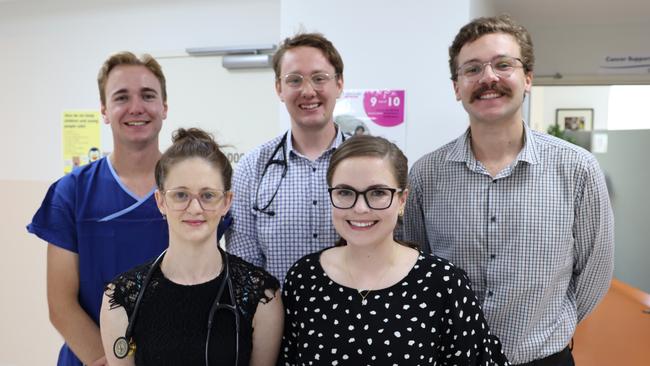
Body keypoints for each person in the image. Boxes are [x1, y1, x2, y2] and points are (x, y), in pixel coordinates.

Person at [401, 15, 614, 365]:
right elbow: (414, 266)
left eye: (503, 64)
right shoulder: (426, 174)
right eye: (472, 69)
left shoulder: (577, 169)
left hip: (544, 358)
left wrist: (551, 326)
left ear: (527, 78)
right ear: (456, 87)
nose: (488, 78)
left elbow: (595, 270)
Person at [26, 52, 228, 366]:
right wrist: (111, 359)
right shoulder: (72, 192)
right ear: (105, 111)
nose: (136, 107)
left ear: (164, 108)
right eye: (121, 97)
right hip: (93, 357)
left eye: (148, 96)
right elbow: (61, 303)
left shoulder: (196, 187)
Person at [280, 135, 509, 365]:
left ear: (402, 200)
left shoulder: (443, 283)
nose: (360, 208)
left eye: (378, 193)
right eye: (345, 192)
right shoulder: (304, 278)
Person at [100, 128, 283, 366]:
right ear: (161, 202)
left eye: (207, 195)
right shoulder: (121, 297)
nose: (195, 208)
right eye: (180, 195)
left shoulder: (261, 296)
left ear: (226, 202)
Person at [226, 33, 345, 284]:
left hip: (358, 318)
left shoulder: (372, 164)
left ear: (339, 84)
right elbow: (244, 267)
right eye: (294, 80)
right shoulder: (252, 168)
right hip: (277, 320)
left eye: (319, 78)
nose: (308, 91)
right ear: (279, 88)